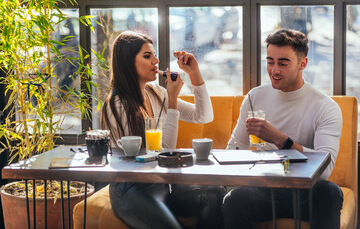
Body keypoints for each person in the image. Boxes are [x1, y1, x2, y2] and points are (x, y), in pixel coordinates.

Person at [101, 31, 225, 229]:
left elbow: (203, 116)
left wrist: (195, 74)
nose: (156, 60)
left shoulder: (155, 92)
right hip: (133, 188)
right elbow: (163, 151)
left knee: (214, 192)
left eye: (154, 55)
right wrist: (173, 99)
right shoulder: (118, 105)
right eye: (147, 56)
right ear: (127, 62)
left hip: (163, 183)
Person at [222, 29, 343, 229]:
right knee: (233, 199)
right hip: (264, 190)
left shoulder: (325, 107)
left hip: (305, 192)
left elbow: (325, 170)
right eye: (270, 62)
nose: (274, 70)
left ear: (302, 64)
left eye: (283, 63)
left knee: (330, 192)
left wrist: (280, 139)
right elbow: (234, 149)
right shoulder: (255, 97)